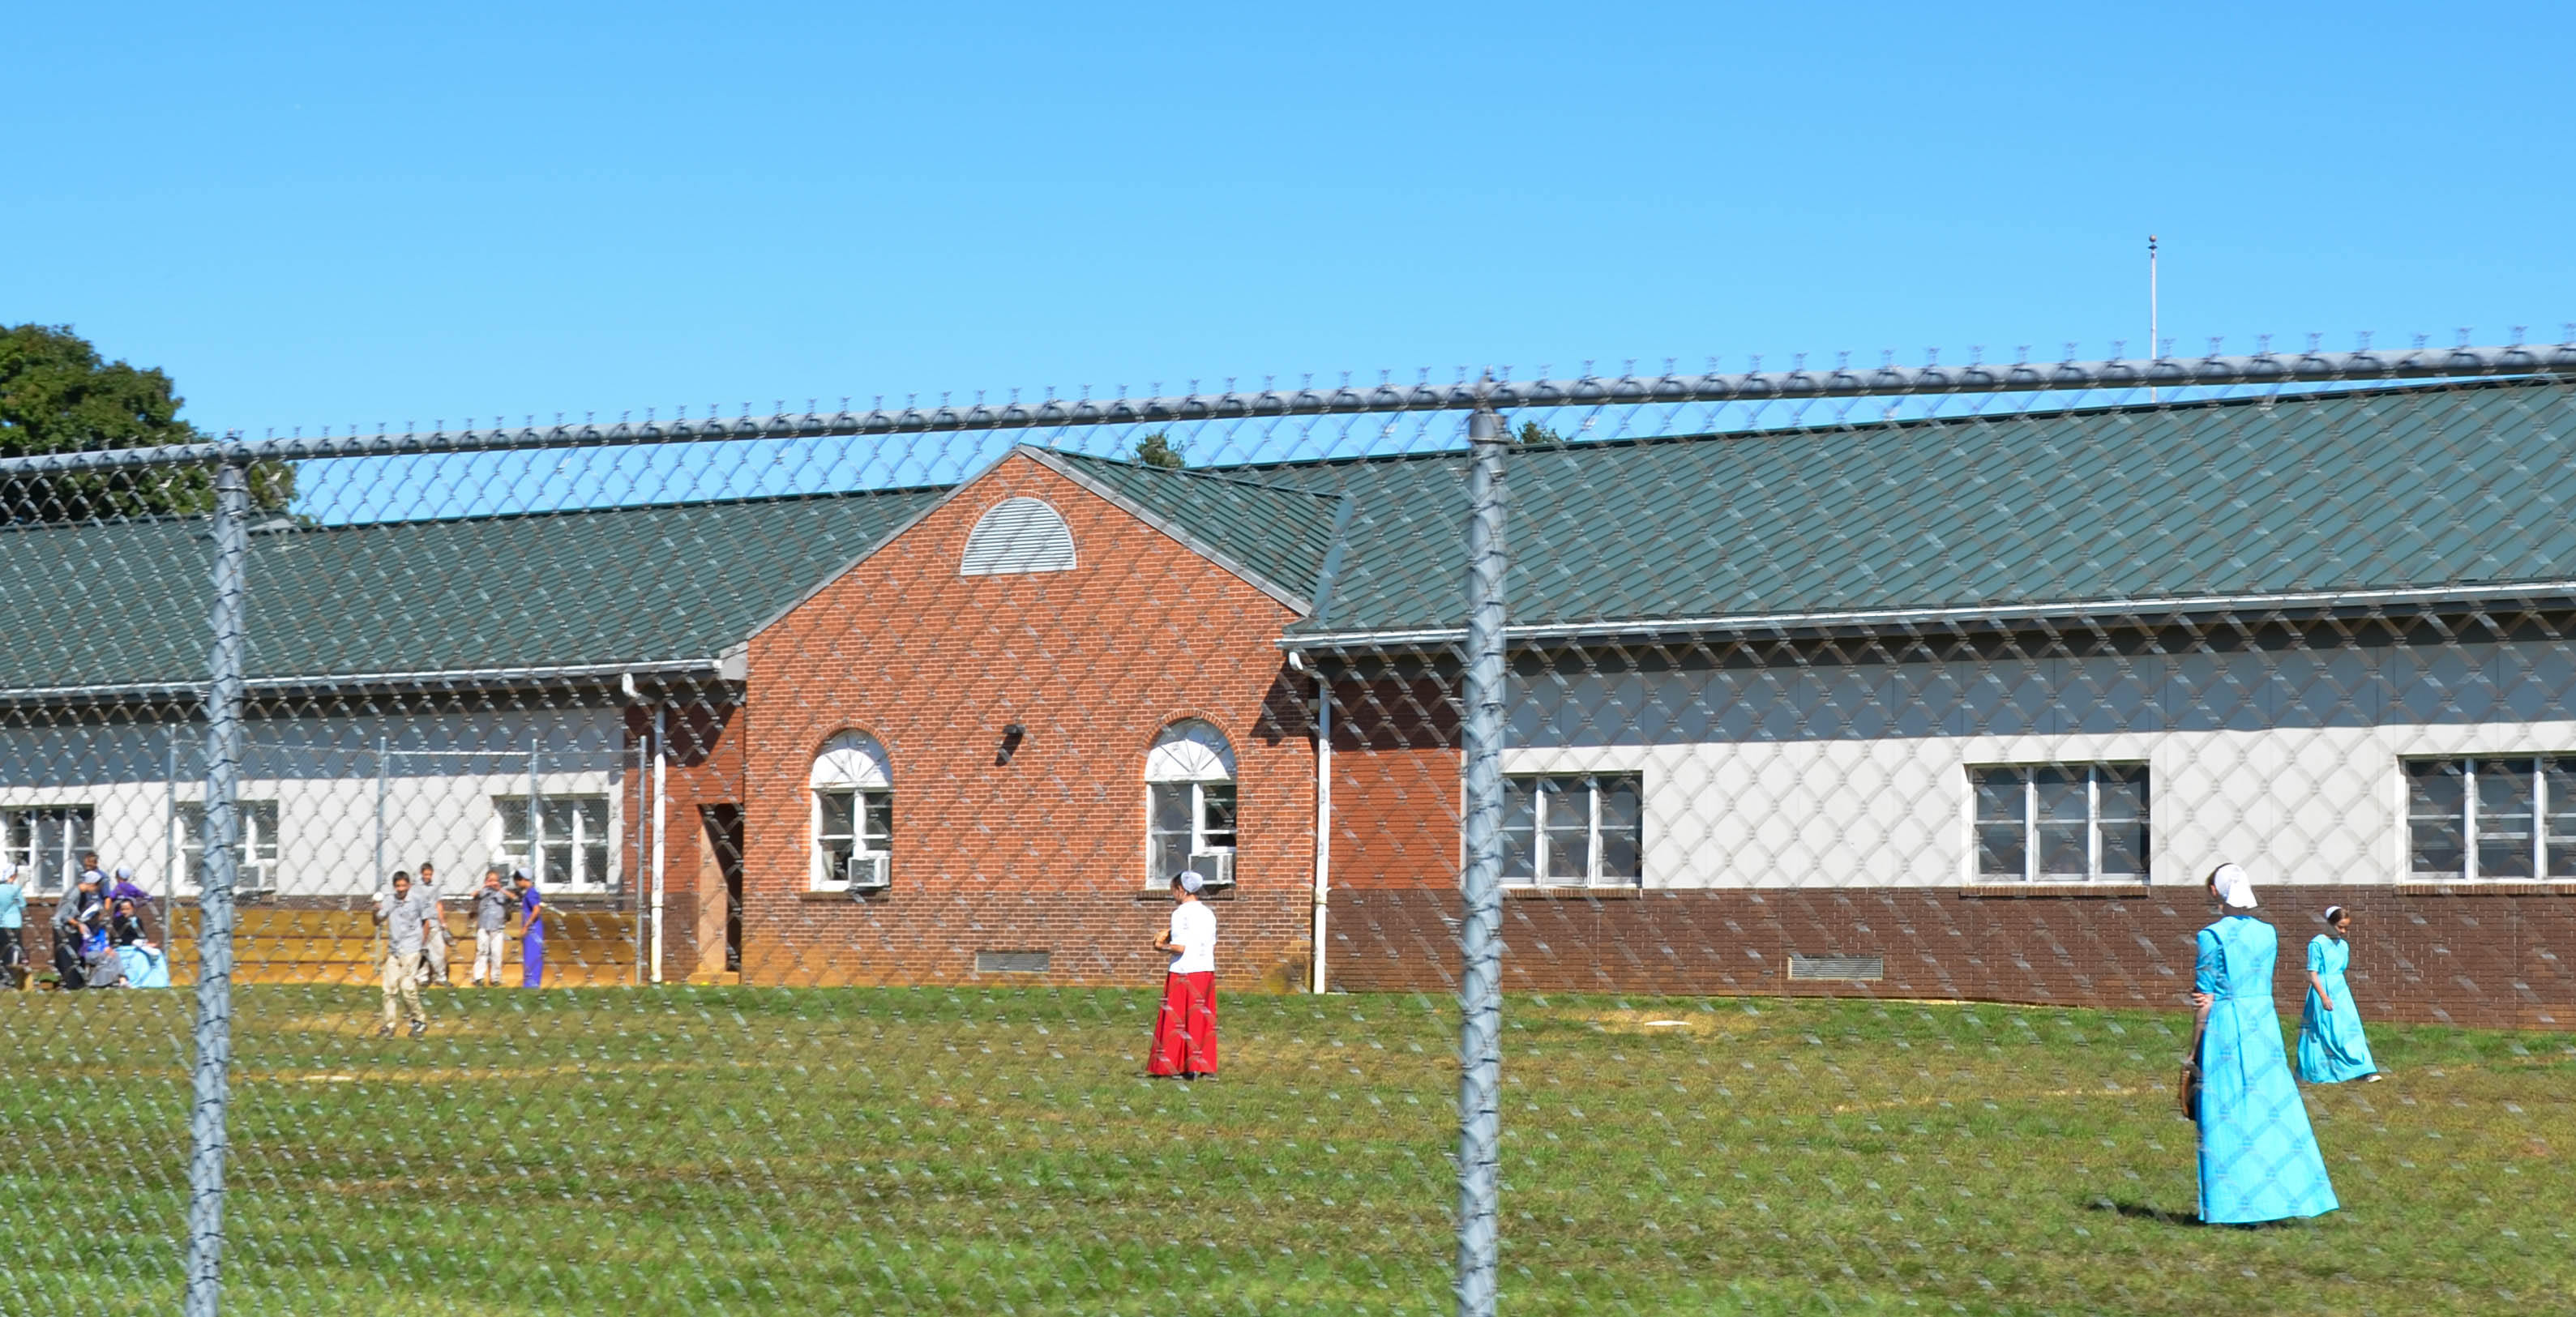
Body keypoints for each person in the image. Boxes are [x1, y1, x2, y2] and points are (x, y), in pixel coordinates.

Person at [2187, 863, 2337, 1225]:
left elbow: (2205, 997)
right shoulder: (2268, 933)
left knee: (2224, 1111)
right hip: (2264, 1026)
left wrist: (2193, 1050)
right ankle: (2286, 1195)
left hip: (2226, 1025)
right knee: (2271, 1111)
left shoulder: (2211, 936)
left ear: (2214, 892)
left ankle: (2229, 1205)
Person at [1145, 870, 1219, 1080]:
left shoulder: (1180, 914)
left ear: (1181, 890)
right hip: (1205, 970)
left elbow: (1181, 947)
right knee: (1200, 1019)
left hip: (1183, 971)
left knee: (1175, 1019)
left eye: (1174, 890)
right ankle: (1201, 1065)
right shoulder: (1208, 913)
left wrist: (1161, 946)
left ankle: (1171, 1064)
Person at [2297, 904, 2382, 1084]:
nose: (2343, 931)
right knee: (2328, 1031)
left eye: (2346, 927)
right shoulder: (2317, 944)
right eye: (2340, 926)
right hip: (2323, 990)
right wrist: (2323, 996)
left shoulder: (2343, 945)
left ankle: (2363, 1067)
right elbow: (2313, 973)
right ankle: (2325, 1069)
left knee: (2351, 1029)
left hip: (2341, 990)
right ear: (2330, 923)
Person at [374, 870, 432, 1037]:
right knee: (389, 989)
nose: (400, 889)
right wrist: (375, 910)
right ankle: (389, 1026)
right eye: (398, 886)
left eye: (403, 885)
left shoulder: (417, 899)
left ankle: (419, 1020)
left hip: (412, 949)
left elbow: (426, 921)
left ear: (409, 885)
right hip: (394, 950)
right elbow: (377, 920)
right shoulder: (389, 901)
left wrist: (422, 944)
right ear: (394, 886)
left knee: (407, 987)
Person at [469, 867, 512, 987]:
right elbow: (472, 895)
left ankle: (495, 978)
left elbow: (514, 897)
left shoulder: (502, 892)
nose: (493, 882)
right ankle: (479, 978)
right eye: (490, 880)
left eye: (495, 880)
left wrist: (500, 889)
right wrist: (484, 886)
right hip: (483, 925)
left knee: (496, 953)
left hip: (497, 927)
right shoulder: (482, 892)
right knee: (481, 952)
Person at [414, 861, 451, 988]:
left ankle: (440, 976)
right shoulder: (415, 887)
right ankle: (422, 977)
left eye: (430, 874)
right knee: (422, 952)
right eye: (425, 874)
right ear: (421, 873)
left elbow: (438, 905)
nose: (427, 877)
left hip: (434, 922)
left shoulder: (435, 887)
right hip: (421, 924)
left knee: (439, 951)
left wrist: (443, 922)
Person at [515, 870, 547, 989]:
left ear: (523, 879)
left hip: (533, 928)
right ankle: (531, 983)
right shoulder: (533, 891)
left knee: (531, 956)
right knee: (531, 956)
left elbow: (536, 910)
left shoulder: (530, 893)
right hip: (534, 928)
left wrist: (526, 926)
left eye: (517, 881)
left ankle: (531, 984)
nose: (517, 884)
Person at [0, 862, 25, 990]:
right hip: (13, 924)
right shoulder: (15, 889)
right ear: (13, 875)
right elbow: (22, 905)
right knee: (11, 952)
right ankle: (9, 979)